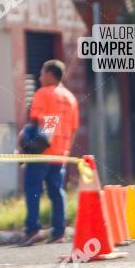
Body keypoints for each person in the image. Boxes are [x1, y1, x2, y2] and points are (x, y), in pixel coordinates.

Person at [19, 60, 80, 246]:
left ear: (50, 75)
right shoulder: (71, 98)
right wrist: (66, 151)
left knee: (33, 189)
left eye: (42, 73)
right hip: (61, 153)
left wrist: (26, 145)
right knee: (57, 191)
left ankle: (32, 229)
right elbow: (73, 128)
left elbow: (37, 123)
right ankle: (59, 231)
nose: (39, 77)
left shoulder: (43, 93)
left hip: (43, 152)